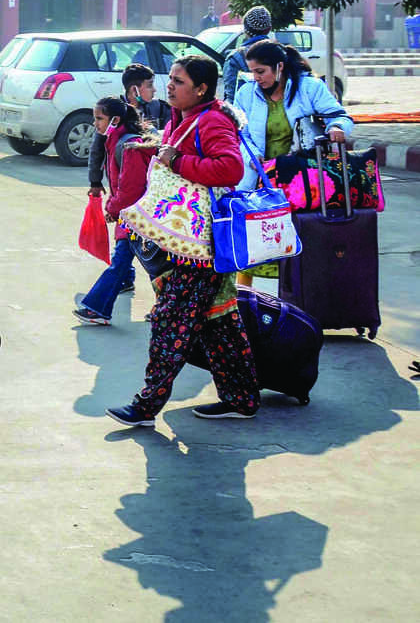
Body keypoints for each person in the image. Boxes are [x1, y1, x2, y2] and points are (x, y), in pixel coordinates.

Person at [107, 56, 260, 426]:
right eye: (171, 79)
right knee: (218, 321)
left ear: (202, 88)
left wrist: (175, 162)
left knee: (169, 324)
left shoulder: (211, 120)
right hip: (193, 244)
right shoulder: (184, 117)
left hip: (199, 248)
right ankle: (242, 398)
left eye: (179, 81)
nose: (170, 86)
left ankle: (146, 406)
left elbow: (230, 169)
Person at [231, 40, 353, 286]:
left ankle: (299, 302)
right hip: (261, 179)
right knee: (254, 244)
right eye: (252, 72)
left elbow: (339, 115)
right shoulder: (246, 93)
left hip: (301, 182)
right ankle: (244, 306)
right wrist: (255, 157)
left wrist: (337, 127)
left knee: (298, 243)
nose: (256, 78)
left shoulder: (309, 88)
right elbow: (239, 132)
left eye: (261, 71)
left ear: (279, 66)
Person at [74, 96, 153, 325]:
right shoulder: (115, 142)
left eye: (99, 118)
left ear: (115, 120)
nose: (95, 123)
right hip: (132, 214)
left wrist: (112, 207)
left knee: (122, 261)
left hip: (136, 215)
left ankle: (96, 307)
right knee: (146, 264)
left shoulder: (128, 147)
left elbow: (130, 189)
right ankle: (164, 308)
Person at [220, 5, 273, 101]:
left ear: (244, 29)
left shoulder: (236, 57)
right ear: (269, 29)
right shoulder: (282, 53)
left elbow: (231, 98)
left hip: (243, 114)